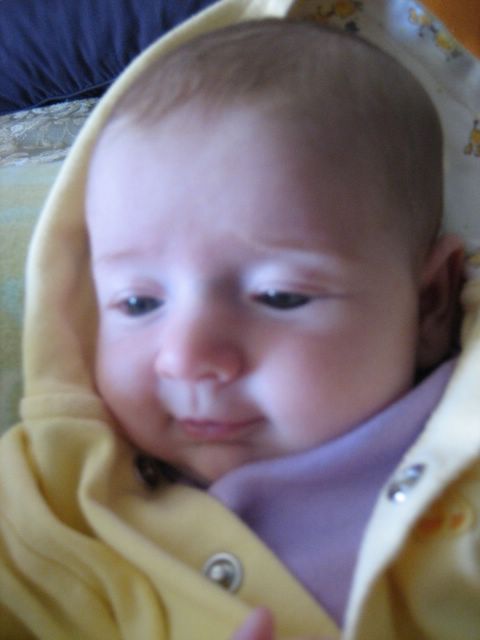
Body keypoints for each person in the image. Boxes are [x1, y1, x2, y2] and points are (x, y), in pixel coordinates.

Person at [1, 15, 479, 640]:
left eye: (279, 296)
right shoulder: (54, 506)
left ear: (430, 303)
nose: (186, 357)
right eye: (138, 303)